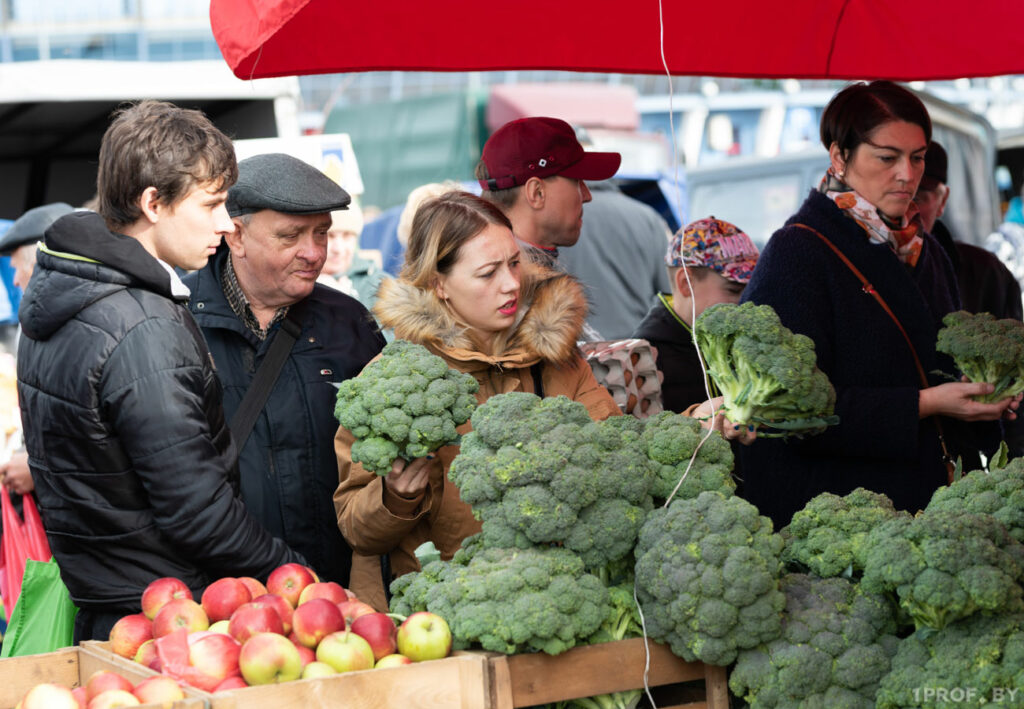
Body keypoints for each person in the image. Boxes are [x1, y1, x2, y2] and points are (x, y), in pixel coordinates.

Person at [16, 100, 305, 642]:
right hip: (169, 619)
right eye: (212, 203)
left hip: (111, 610)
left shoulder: (61, 292)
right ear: (153, 202)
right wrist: (291, 573)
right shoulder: (141, 322)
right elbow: (198, 511)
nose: (225, 223)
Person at [736, 81, 1017, 529]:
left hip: (927, 508)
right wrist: (926, 403)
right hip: (833, 526)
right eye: (887, 158)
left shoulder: (925, 249)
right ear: (839, 157)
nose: (907, 174)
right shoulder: (797, 253)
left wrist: (988, 394)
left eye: (918, 157)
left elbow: (939, 363)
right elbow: (782, 413)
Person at [334, 191, 622, 608]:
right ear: (439, 285)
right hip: (434, 614)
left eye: (513, 263)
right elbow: (357, 531)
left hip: (549, 600)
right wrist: (395, 496)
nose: (511, 284)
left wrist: (696, 424)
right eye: (488, 273)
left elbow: (618, 454)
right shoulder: (392, 382)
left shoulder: (558, 359)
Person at [183, 153, 386, 588]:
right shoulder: (177, 321)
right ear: (236, 235)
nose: (314, 253)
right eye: (291, 236)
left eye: (322, 233)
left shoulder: (350, 324)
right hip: (220, 598)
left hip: (336, 594)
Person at [633, 217, 760, 414]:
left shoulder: (751, 341)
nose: (747, 302)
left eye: (751, 289)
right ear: (686, 283)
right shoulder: (646, 359)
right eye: (734, 290)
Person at [475, 116, 621, 272]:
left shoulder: (476, 272)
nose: (587, 196)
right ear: (537, 193)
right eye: (577, 181)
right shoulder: (509, 288)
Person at [0, 202, 75, 496]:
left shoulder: (78, 329)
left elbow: (85, 427)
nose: (15, 279)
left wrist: (36, 468)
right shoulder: (34, 324)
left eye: (20, 268)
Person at [915, 141, 1023, 319]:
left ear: (942, 202)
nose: (905, 210)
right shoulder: (857, 267)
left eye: (917, 198)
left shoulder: (989, 274)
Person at [318, 200, 390, 314]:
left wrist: (344, 303)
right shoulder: (297, 280)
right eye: (330, 236)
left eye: (347, 236)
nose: (338, 249)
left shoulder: (381, 285)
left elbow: (386, 332)